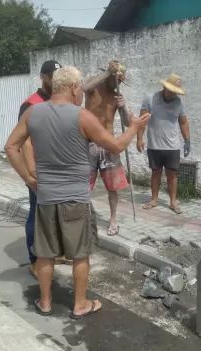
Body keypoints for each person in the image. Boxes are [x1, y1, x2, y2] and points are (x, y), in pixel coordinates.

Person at [5, 66, 150, 318]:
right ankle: (80, 304)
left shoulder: (32, 113)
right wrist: (134, 128)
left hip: (46, 197)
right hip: (75, 199)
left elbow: (11, 147)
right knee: (80, 254)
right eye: (80, 88)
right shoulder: (82, 117)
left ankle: (46, 302)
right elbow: (115, 145)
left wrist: (29, 179)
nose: (82, 94)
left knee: (45, 254)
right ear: (73, 88)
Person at [18, 60, 62, 277]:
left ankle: (53, 252)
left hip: (57, 169)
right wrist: (31, 174)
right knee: (36, 215)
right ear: (43, 77)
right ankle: (34, 260)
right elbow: (24, 142)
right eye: (52, 77)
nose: (56, 81)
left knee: (54, 215)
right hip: (39, 171)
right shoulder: (31, 104)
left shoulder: (58, 101)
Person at [83, 60, 129, 236]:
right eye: (116, 79)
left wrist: (123, 108)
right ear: (110, 76)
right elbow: (84, 88)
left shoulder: (117, 96)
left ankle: (113, 219)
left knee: (113, 187)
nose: (118, 83)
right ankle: (85, 216)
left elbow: (126, 122)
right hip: (88, 144)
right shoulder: (94, 87)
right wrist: (107, 73)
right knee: (84, 185)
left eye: (121, 80)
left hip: (109, 144)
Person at [137, 73, 191, 214]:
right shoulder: (150, 99)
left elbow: (183, 121)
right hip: (154, 145)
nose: (173, 94)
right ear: (164, 87)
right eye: (171, 90)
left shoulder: (178, 103)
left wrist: (187, 141)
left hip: (172, 146)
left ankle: (173, 201)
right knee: (156, 173)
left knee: (172, 174)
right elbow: (142, 121)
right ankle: (154, 200)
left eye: (175, 92)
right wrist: (139, 138)